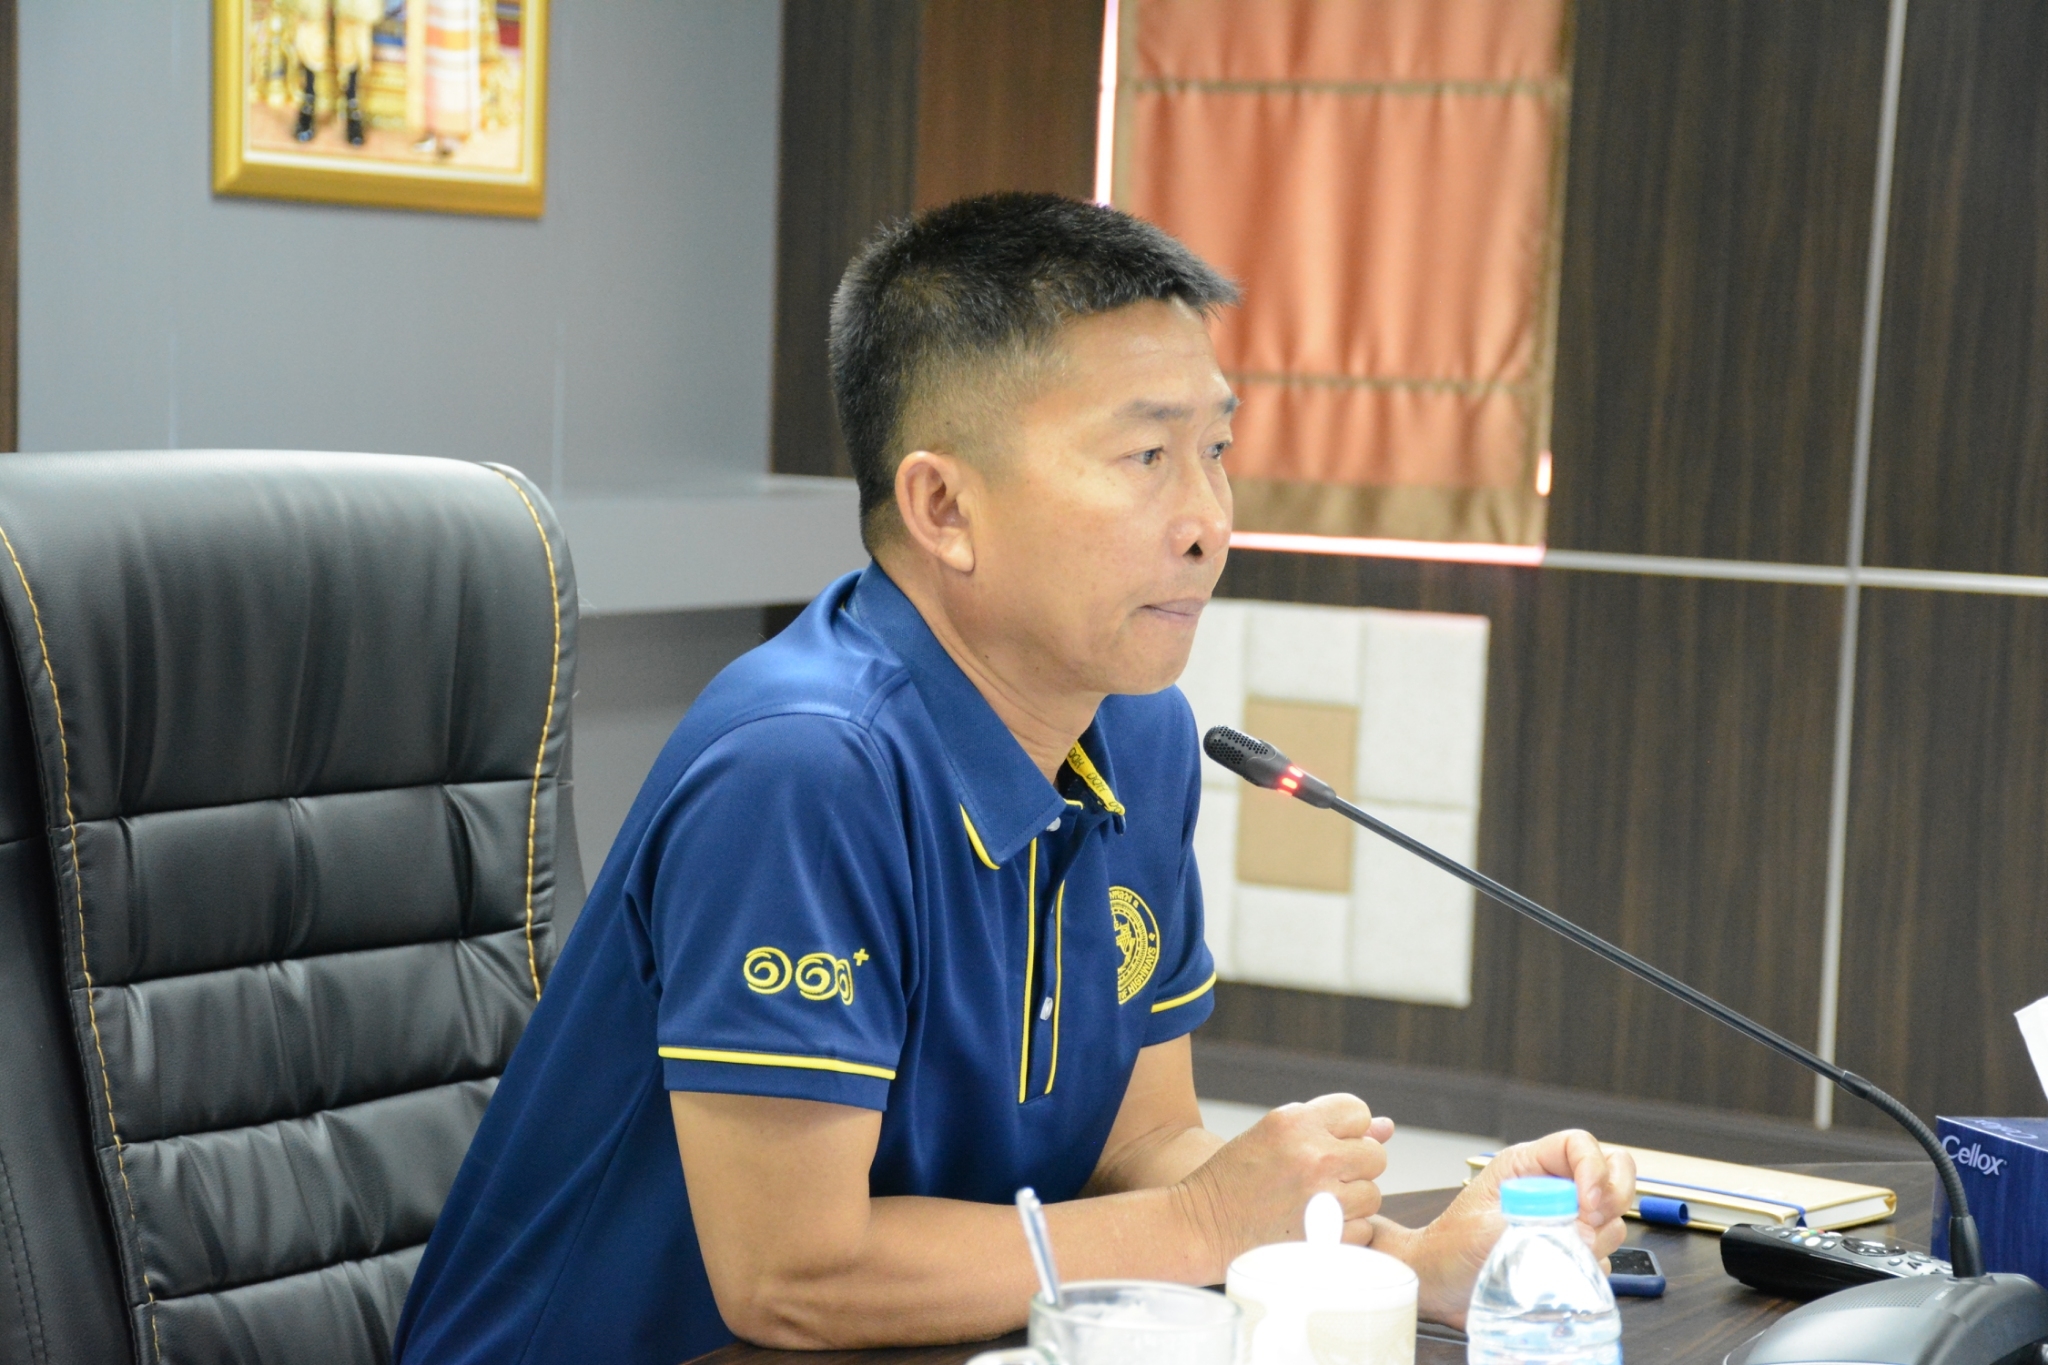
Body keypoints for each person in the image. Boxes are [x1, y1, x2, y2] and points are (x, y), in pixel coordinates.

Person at [394, 193, 1635, 1363]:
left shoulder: (1137, 735)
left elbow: (1141, 1143)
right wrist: (1205, 1225)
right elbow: (792, 1276)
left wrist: (1397, 1261)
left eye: (1214, 448)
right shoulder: (803, 769)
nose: (1208, 520)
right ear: (943, 507)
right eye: (1145, 456)